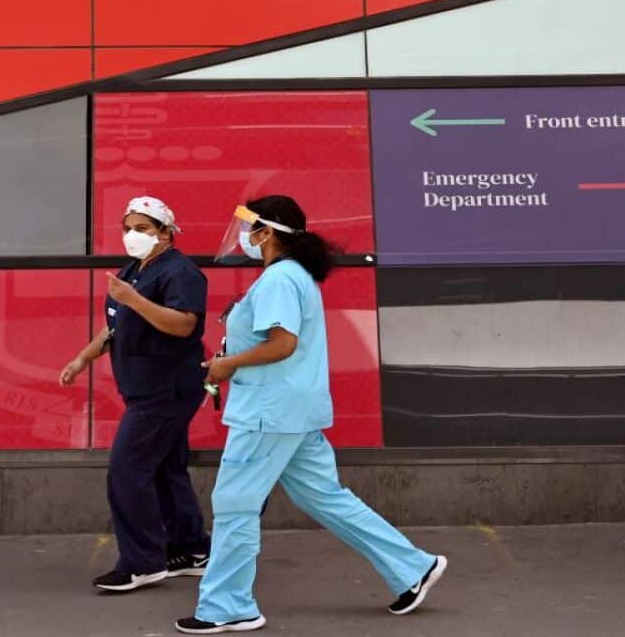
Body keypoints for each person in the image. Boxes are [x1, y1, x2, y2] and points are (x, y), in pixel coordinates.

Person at [175, 195, 447, 635]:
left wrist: (228, 364)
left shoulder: (280, 279)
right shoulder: (290, 276)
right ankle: (412, 566)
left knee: (234, 505)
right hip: (290, 411)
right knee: (325, 497)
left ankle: (228, 605)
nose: (244, 235)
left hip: (269, 413)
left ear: (269, 232)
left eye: (251, 226)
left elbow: (283, 344)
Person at [60, 196, 212, 592]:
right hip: (143, 387)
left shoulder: (180, 273)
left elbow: (183, 325)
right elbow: (115, 327)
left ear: (165, 232)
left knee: (127, 472)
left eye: (142, 229)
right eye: (127, 228)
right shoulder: (132, 271)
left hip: (166, 390)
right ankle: (191, 550)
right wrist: (82, 359)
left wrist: (134, 299)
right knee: (165, 469)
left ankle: (143, 561)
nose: (132, 235)